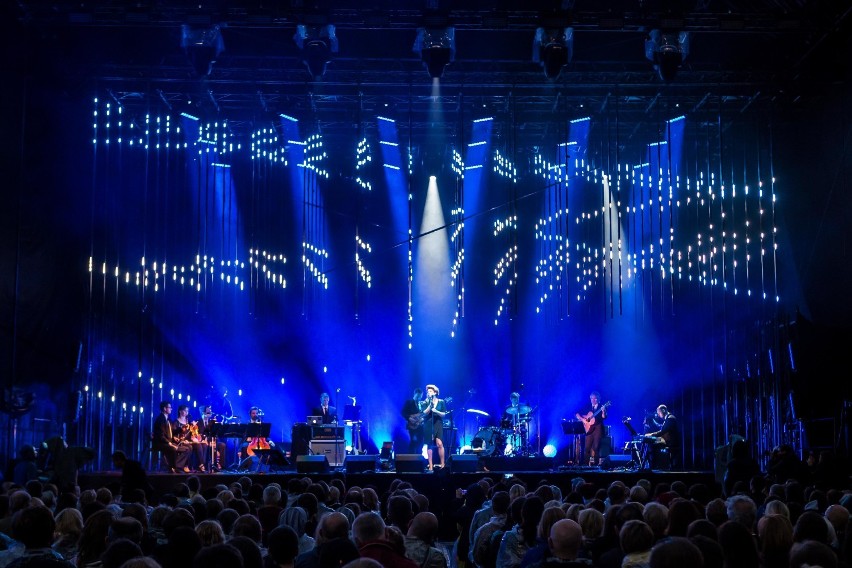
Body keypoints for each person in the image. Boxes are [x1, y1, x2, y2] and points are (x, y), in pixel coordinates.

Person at [151, 400, 190, 473]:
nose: (171, 409)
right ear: (165, 409)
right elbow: (161, 435)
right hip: (161, 443)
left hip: (167, 442)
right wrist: (169, 443)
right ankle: (174, 467)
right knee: (173, 449)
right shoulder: (160, 420)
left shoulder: (168, 419)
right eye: (169, 407)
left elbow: (172, 431)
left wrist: (181, 429)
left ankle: (176, 466)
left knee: (186, 449)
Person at [575, 391, 609, 466]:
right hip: (589, 429)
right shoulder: (587, 407)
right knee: (587, 448)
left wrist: (603, 411)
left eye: (595, 399)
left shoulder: (601, 407)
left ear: (598, 399)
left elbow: (604, 417)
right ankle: (586, 465)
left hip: (598, 428)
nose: (593, 400)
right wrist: (583, 419)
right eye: (592, 398)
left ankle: (596, 466)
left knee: (596, 447)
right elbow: (577, 414)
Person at [174, 404, 208, 472]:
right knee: (194, 446)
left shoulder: (189, 422)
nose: (187, 412)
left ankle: (201, 464)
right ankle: (198, 465)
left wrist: (195, 434)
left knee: (204, 445)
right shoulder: (176, 422)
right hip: (182, 441)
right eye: (185, 410)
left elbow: (192, 433)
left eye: (187, 411)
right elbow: (175, 434)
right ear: (180, 411)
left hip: (189, 441)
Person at [646, 404, 679, 469]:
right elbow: (662, 426)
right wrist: (653, 422)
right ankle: (654, 465)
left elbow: (662, 431)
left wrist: (650, 434)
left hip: (671, 442)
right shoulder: (668, 418)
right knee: (652, 442)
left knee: (652, 445)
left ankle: (654, 466)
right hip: (669, 441)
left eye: (659, 413)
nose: (658, 415)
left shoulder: (670, 418)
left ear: (663, 410)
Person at [423, 384, 448, 470]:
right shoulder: (425, 402)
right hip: (428, 424)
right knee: (430, 444)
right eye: (428, 391)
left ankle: (442, 464)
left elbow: (444, 414)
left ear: (435, 392)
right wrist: (430, 406)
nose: (428, 393)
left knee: (439, 444)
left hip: (438, 423)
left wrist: (436, 411)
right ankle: (430, 465)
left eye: (430, 391)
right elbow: (424, 413)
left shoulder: (441, 402)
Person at [501, 392, 532, 456]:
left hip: (520, 427)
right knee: (504, 432)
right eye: (515, 399)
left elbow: (526, 417)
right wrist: (506, 422)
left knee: (523, 431)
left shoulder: (522, 407)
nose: (516, 401)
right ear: (511, 399)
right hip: (510, 427)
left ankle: (522, 450)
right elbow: (503, 419)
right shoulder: (507, 408)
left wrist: (523, 421)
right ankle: (508, 450)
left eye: (517, 399)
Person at [200, 404, 227, 471]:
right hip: (204, 442)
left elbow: (215, 434)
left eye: (210, 412)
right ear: (203, 413)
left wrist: (214, 442)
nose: (210, 414)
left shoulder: (212, 422)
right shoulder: (199, 422)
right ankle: (206, 465)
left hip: (212, 441)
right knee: (208, 446)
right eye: (208, 412)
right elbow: (201, 434)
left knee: (222, 445)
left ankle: (221, 466)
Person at [402, 387, 426, 454]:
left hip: (420, 426)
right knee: (413, 441)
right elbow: (403, 412)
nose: (419, 398)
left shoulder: (421, 404)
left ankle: (418, 456)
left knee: (421, 441)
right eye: (418, 396)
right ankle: (411, 457)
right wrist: (409, 418)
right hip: (411, 426)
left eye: (420, 396)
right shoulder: (409, 402)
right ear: (415, 394)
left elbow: (422, 415)